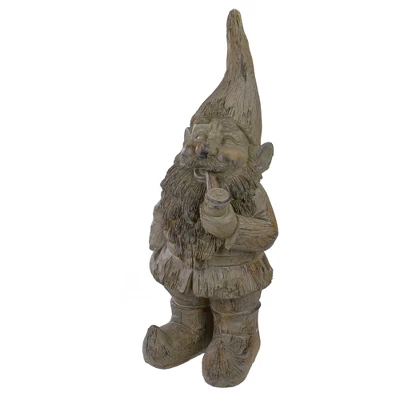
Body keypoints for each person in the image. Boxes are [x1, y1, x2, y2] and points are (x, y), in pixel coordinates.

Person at [143, 9, 278, 388]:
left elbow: (268, 231)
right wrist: (159, 235)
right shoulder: (180, 183)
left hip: (233, 275)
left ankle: (236, 338)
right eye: (200, 137)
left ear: (258, 160)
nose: (207, 149)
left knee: (233, 309)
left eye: (226, 140)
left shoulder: (248, 192)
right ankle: (189, 329)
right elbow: (164, 210)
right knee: (185, 304)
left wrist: (232, 226)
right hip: (183, 268)